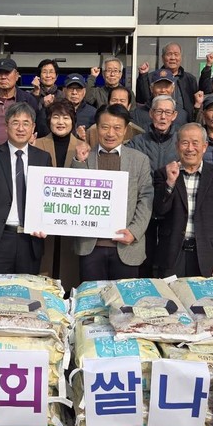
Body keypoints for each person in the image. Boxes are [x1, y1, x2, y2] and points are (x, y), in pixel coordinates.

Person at [71, 104, 153, 282]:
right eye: (105, 127)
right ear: (97, 128)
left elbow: (146, 198)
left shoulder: (139, 160)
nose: (110, 133)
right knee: (91, 297)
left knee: (123, 298)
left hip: (127, 245)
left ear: (126, 130)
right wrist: (78, 161)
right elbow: (74, 193)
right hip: (91, 246)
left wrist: (134, 231)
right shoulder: (84, 157)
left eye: (117, 128)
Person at [0, 102, 52, 274]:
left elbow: (48, 198)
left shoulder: (43, 158)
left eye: (26, 123)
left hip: (30, 240)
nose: (21, 128)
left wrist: (46, 223)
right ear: (6, 126)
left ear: (33, 127)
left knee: (27, 289)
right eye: (15, 123)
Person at [153, 123, 213, 278]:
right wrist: (170, 183)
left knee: (203, 294)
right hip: (172, 254)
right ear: (177, 146)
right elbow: (159, 210)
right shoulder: (164, 174)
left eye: (195, 143)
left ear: (204, 147)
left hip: (206, 254)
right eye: (185, 143)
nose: (190, 148)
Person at [126, 94, 180, 277]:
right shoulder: (137, 142)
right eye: (158, 111)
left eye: (167, 112)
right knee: (144, 265)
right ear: (151, 113)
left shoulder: (180, 143)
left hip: (171, 212)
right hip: (144, 211)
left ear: (174, 115)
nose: (163, 117)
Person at [33, 99, 81, 289]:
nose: (61, 122)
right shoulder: (36, 144)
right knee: (44, 273)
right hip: (43, 221)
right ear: (48, 120)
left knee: (69, 273)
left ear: (73, 121)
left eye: (66, 118)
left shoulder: (83, 147)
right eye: (56, 117)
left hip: (72, 221)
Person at [0, 58, 47, 144]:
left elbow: (40, 129)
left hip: (19, 149)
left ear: (16, 76)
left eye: (7, 73)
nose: (3, 77)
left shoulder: (29, 100)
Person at [136, 42, 200, 118]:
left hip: (183, 120)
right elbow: (142, 99)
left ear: (181, 57)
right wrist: (143, 76)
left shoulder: (190, 79)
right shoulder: (151, 77)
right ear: (163, 57)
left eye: (176, 54)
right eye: (169, 54)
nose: (173, 58)